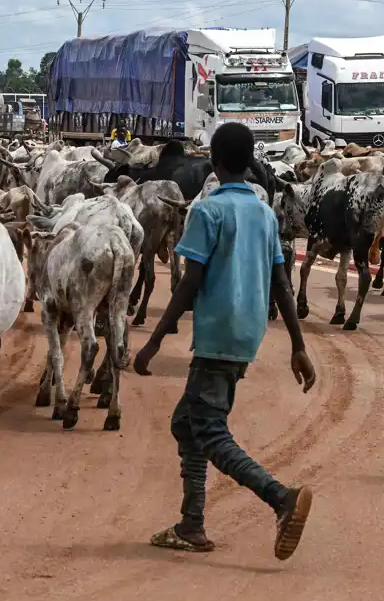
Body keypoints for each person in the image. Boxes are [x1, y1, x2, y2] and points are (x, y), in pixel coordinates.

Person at [133, 121, 318, 559]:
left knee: (211, 430)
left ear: (213, 162)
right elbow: (281, 284)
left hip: (217, 334)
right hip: (247, 334)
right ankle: (191, 523)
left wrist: (154, 340)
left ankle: (280, 498)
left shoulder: (207, 211)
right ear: (250, 161)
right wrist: (297, 345)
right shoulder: (264, 213)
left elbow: (189, 281)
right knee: (186, 423)